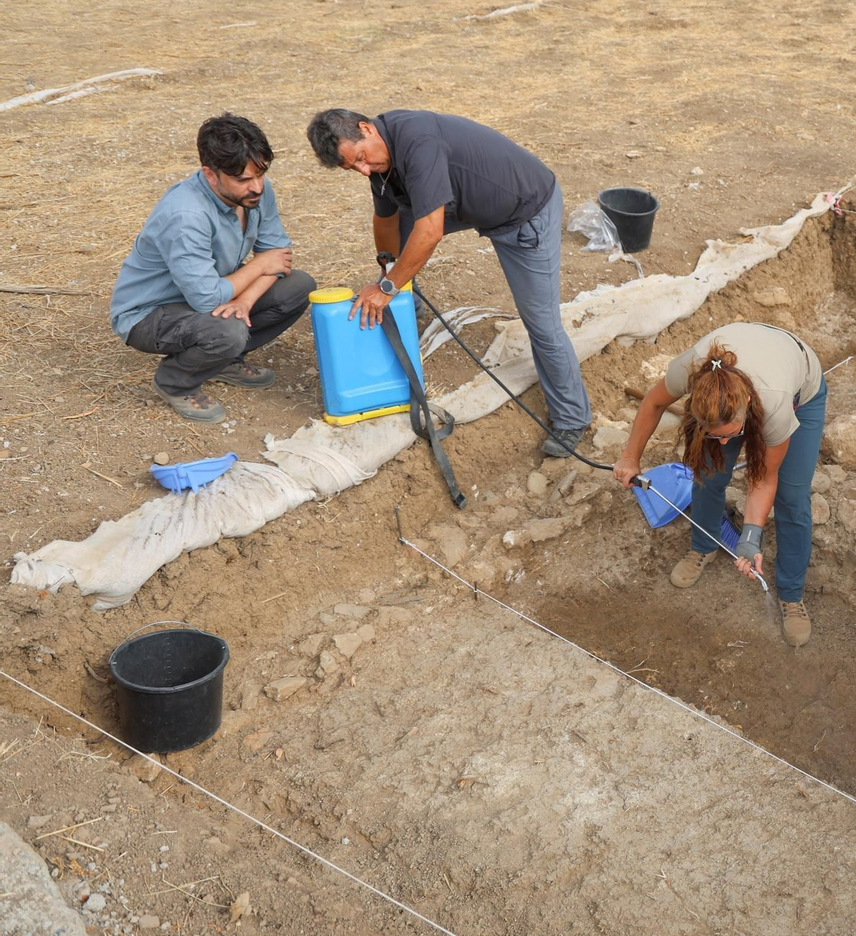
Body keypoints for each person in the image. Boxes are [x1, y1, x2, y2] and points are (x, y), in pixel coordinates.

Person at [304, 108, 592, 457]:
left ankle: (572, 418)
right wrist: (387, 270)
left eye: (362, 159)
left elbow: (431, 231)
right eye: (353, 167)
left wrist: (385, 289)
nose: (363, 170)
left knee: (542, 324)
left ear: (366, 129)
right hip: (467, 201)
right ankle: (407, 302)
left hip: (524, 212)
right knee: (403, 232)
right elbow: (386, 217)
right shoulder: (379, 157)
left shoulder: (417, 143)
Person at [611, 323, 827, 647]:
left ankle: (792, 595)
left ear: (746, 412)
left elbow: (764, 478)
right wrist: (630, 457)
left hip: (800, 384)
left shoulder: (774, 404)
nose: (726, 441)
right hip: (744, 367)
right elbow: (653, 403)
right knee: (709, 473)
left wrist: (751, 538)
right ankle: (704, 545)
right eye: (716, 434)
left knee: (791, 496)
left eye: (731, 433)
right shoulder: (689, 370)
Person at [110, 114, 316, 423]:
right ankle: (174, 382)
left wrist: (245, 301)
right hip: (149, 313)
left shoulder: (258, 190)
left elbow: (280, 257)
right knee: (227, 330)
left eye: (260, 174)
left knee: (298, 287)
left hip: (213, 292)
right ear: (210, 174)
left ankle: (223, 360)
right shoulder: (186, 214)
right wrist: (260, 264)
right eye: (244, 180)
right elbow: (209, 299)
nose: (257, 187)